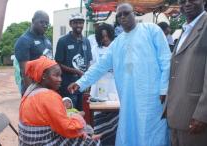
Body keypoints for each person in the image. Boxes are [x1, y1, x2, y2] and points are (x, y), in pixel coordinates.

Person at [68, 3, 171, 146]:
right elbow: (99, 66)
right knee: (131, 130)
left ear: (134, 13)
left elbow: (166, 60)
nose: (122, 17)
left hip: (152, 97)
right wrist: (80, 83)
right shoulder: (117, 43)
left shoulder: (151, 30)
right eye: (119, 15)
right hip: (129, 98)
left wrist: (164, 88)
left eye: (126, 13)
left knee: (152, 132)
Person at [19, 56, 100, 146]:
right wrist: (77, 118)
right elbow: (67, 128)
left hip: (27, 142)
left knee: (84, 133)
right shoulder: (49, 96)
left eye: (60, 75)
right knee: (94, 142)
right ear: (44, 76)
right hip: (43, 142)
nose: (60, 79)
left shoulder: (31, 90)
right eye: (56, 75)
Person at [164, 0, 207, 145]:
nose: (187, 4)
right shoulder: (186, 29)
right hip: (178, 115)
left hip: (195, 117)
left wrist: (203, 114)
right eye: (182, 1)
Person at [55, 13, 92, 111]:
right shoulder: (63, 41)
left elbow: (88, 61)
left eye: (81, 23)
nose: (79, 25)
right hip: (68, 85)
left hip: (82, 84)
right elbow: (58, 63)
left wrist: (87, 78)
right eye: (75, 23)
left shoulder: (86, 41)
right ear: (70, 24)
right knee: (69, 112)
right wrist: (76, 71)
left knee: (82, 111)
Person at [90, 23, 119, 146]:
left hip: (114, 86)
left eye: (107, 36)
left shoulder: (117, 47)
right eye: (102, 37)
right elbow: (92, 68)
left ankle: (113, 139)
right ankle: (101, 141)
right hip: (99, 87)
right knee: (100, 114)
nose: (105, 39)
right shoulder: (95, 49)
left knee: (115, 114)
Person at [15, 10, 52, 95]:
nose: (45, 25)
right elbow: (25, 71)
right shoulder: (24, 41)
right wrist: (32, 93)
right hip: (33, 88)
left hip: (46, 87)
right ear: (33, 21)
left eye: (47, 23)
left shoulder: (47, 40)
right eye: (41, 22)